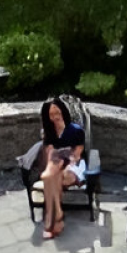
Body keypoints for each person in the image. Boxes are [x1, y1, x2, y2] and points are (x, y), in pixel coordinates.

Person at [38, 97, 86, 239]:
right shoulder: (49, 133)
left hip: (74, 165)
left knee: (52, 178)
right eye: (51, 115)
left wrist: (64, 165)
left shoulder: (75, 130)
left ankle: (52, 219)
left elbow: (76, 154)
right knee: (52, 177)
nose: (55, 117)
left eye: (57, 113)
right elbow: (51, 154)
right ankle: (57, 216)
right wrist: (56, 165)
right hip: (57, 164)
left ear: (63, 112)